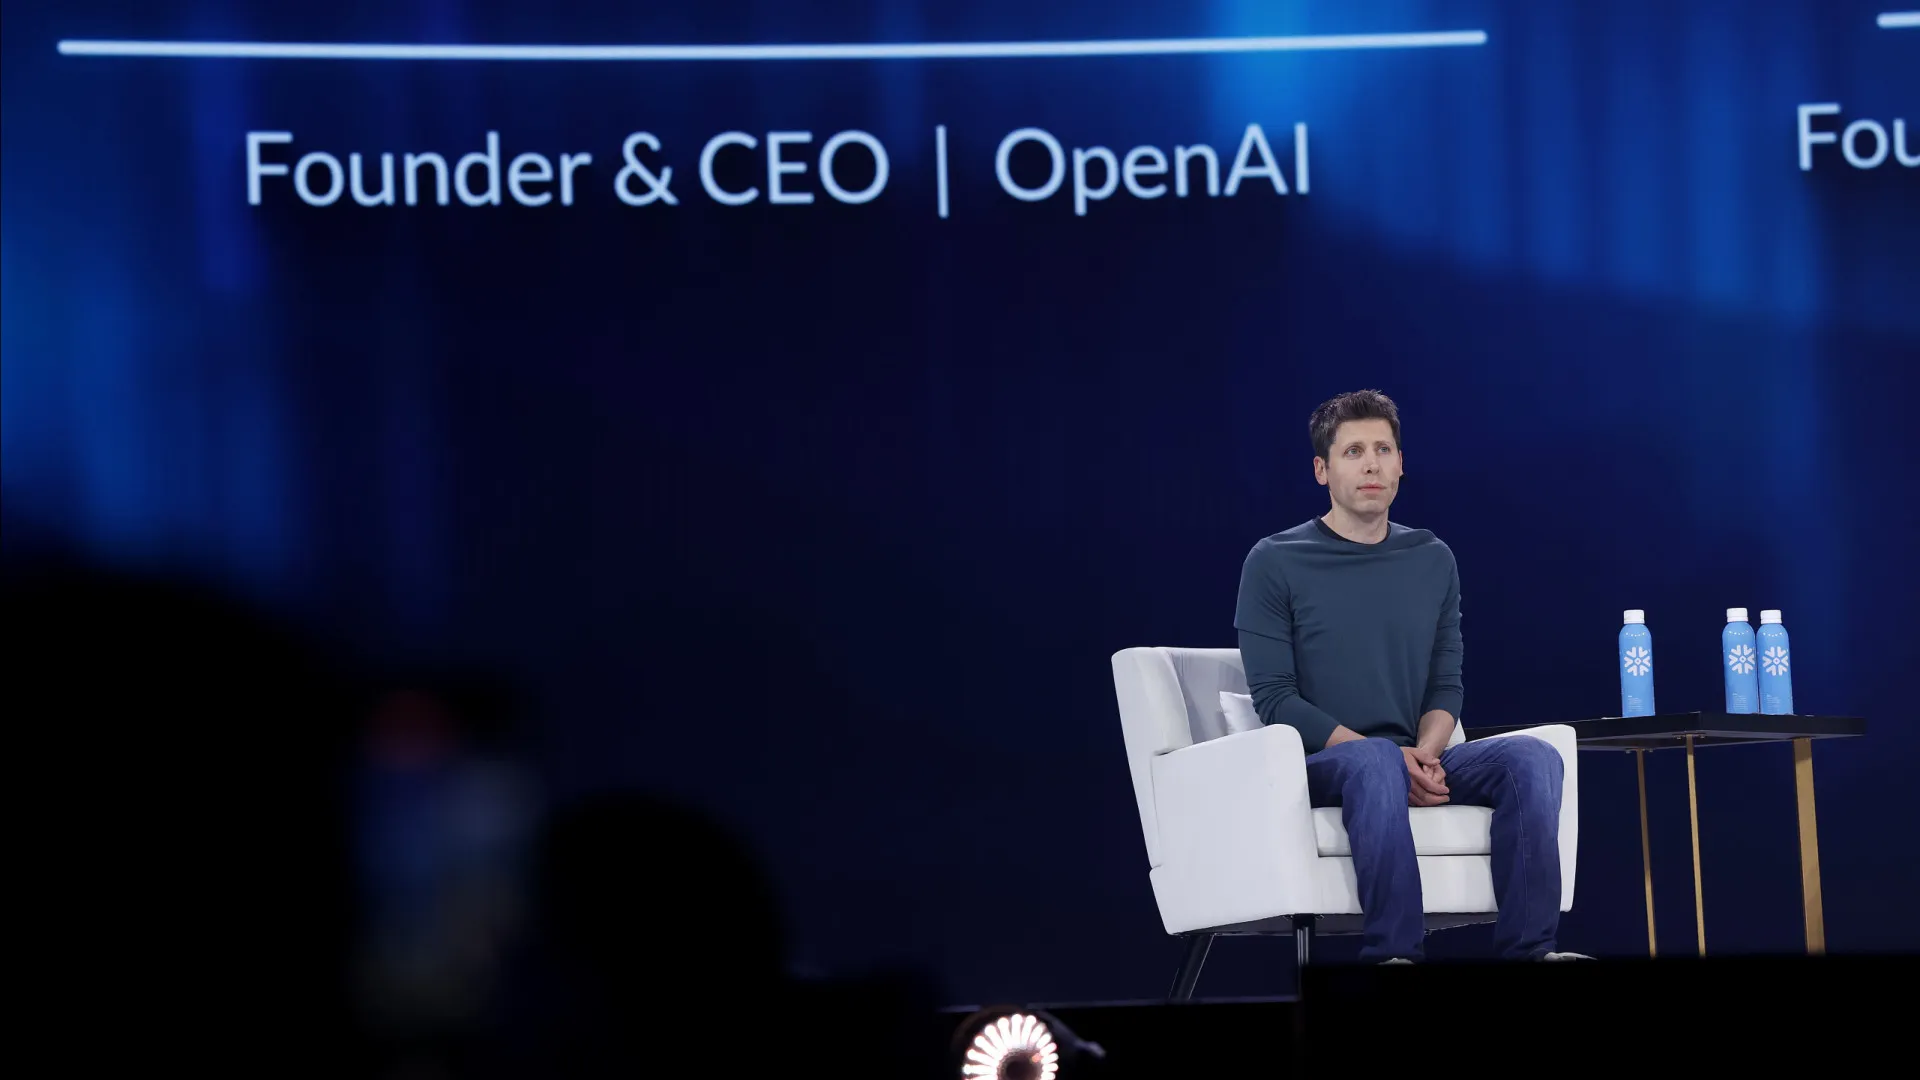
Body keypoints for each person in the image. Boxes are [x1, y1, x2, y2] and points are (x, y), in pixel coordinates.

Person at [1233, 389, 1585, 963]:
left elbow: (1445, 684)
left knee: (1532, 758)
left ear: (1400, 464)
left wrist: (1422, 756)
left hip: (1412, 756)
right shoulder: (1274, 560)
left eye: (1383, 450)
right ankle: (1393, 956)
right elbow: (1275, 699)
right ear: (1322, 470)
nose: (1371, 464)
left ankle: (1530, 952)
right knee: (1373, 760)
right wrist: (1387, 759)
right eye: (1353, 452)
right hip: (1321, 764)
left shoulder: (1432, 557)